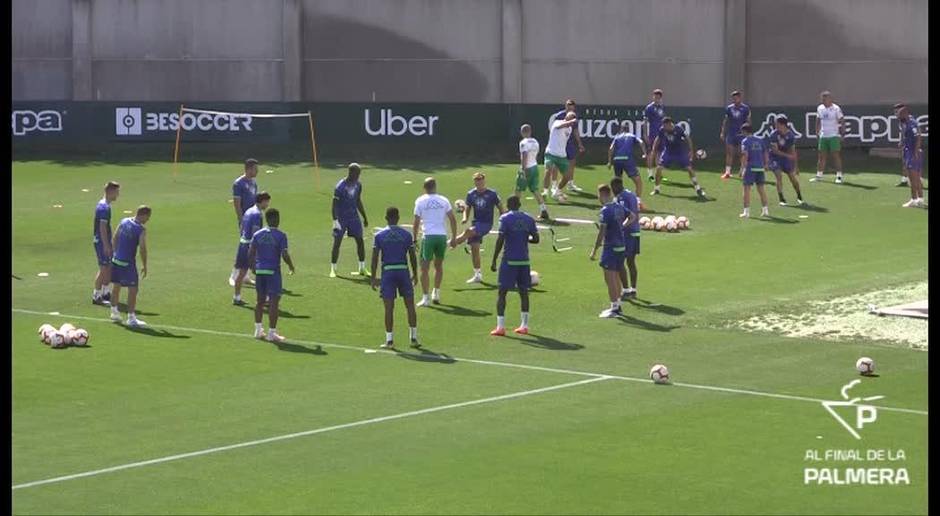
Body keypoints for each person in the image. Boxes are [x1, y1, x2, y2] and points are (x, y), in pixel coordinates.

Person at [489, 195, 539, 336]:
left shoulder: (505, 219)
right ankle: (524, 325)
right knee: (524, 293)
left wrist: (494, 260)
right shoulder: (529, 218)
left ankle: (500, 327)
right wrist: (524, 238)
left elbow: (500, 239)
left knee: (502, 292)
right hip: (524, 261)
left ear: (508, 205)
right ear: (520, 204)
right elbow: (536, 239)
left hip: (509, 261)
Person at [371, 207, 420, 349]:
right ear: (398, 218)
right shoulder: (406, 235)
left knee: (389, 307)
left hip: (388, 272)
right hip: (403, 271)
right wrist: (415, 274)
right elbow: (412, 256)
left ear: (386, 218)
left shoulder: (379, 236)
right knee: (410, 305)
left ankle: (389, 341)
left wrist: (374, 277)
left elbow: (375, 258)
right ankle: (414, 338)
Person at [247, 208, 296, 342]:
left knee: (260, 301)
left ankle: (257, 330)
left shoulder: (257, 234)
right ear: (276, 219)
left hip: (260, 271)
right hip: (273, 272)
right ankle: (272, 333)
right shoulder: (281, 235)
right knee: (274, 302)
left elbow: (250, 253)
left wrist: (253, 267)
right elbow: (284, 254)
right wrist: (291, 265)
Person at [451, 172, 505, 284]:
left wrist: (504, 219)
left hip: (486, 224)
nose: (479, 182)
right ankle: (477, 274)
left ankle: (451, 243)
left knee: (468, 231)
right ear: (474, 182)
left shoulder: (492, 194)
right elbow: (468, 207)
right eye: (477, 180)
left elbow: (500, 207)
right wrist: (465, 218)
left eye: (480, 180)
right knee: (475, 248)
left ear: (484, 181)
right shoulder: (471, 194)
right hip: (476, 223)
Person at [590, 185, 634, 318]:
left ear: (603, 194)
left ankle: (614, 308)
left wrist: (594, 250)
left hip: (610, 248)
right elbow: (632, 216)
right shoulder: (619, 206)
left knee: (610, 278)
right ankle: (618, 304)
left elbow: (601, 232)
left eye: (598, 196)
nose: (598, 198)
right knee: (616, 276)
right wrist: (622, 226)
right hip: (621, 246)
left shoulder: (605, 211)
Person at [412, 178, 458, 306]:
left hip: (429, 237)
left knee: (424, 268)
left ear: (424, 188)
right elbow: (453, 220)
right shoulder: (443, 200)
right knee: (438, 266)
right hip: (441, 236)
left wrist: (414, 238)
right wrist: (454, 238)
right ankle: (436, 292)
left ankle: (426, 298)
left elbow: (416, 222)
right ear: (435, 186)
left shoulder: (420, 201)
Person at [108, 205, 151, 327]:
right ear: (143, 215)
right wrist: (145, 265)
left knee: (116, 286)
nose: (148, 220)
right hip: (128, 263)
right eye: (148, 217)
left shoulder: (124, 221)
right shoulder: (141, 229)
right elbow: (143, 249)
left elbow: (115, 238)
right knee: (133, 289)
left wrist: (116, 253)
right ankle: (131, 318)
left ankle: (114, 312)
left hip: (117, 260)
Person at [651, 117, 707, 198]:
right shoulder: (662, 129)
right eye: (663, 125)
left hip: (680, 152)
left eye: (665, 125)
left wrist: (691, 151)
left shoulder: (678, 129)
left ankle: (698, 189)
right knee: (659, 168)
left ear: (670, 124)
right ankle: (656, 189)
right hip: (668, 152)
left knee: (689, 169)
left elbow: (688, 139)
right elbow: (658, 139)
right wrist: (654, 149)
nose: (664, 127)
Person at [330, 162, 369, 278]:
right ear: (350, 172)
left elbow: (358, 201)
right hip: (341, 218)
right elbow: (334, 205)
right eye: (357, 173)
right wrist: (335, 220)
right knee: (337, 242)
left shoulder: (358, 185)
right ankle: (333, 269)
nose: (358, 176)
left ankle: (362, 268)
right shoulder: (340, 187)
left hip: (354, 217)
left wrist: (364, 217)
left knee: (360, 241)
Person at [233, 192, 271, 305]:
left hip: (242, 244)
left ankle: (236, 297)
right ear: (263, 201)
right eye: (267, 202)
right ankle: (264, 299)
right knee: (261, 273)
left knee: (242, 273)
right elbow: (255, 234)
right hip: (250, 247)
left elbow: (242, 227)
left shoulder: (248, 211)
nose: (268, 204)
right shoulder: (257, 214)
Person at [545, 99, 586, 196]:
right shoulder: (560, 116)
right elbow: (556, 129)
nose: (569, 107)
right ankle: (554, 185)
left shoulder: (574, 118)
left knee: (572, 161)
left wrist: (580, 143)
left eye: (571, 105)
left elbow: (575, 130)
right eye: (568, 105)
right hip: (558, 144)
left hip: (569, 142)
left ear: (574, 107)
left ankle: (570, 183)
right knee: (555, 164)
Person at [610, 177, 640, 300]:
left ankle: (626, 290)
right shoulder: (631, 194)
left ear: (616, 186)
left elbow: (624, 216)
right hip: (636, 232)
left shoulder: (621, 197)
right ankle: (633, 290)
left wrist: (620, 227)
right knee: (631, 262)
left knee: (620, 261)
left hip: (627, 233)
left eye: (613, 189)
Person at [230, 158, 259, 286]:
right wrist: (241, 221)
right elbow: (237, 204)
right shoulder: (238, 184)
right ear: (248, 169)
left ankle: (245, 276)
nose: (257, 171)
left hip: (254, 220)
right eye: (255, 169)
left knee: (251, 248)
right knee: (244, 247)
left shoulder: (253, 183)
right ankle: (234, 275)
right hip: (245, 220)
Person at [607, 121, 647, 209]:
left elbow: (611, 148)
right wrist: (644, 153)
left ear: (621, 129)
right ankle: (637, 201)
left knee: (617, 182)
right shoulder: (632, 136)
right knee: (638, 181)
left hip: (617, 160)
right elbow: (641, 142)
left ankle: (616, 200)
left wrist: (609, 162)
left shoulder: (617, 137)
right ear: (629, 130)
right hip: (627, 160)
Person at [92, 181, 120, 305]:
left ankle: (105, 292)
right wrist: (106, 245)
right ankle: (96, 296)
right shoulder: (104, 208)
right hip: (101, 242)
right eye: (117, 192)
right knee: (104, 269)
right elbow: (102, 228)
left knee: (108, 267)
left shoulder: (105, 205)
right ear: (110, 191)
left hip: (103, 240)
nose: (118, 195)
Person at [516, 124, 551, 220]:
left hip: (527, 167)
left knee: (518, 189)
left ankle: (514, 211)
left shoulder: (523, 143)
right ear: (530, 131)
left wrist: (523, 169)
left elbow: (524, 156)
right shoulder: (535, 142)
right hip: (534, 166)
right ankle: (543, 210)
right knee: (535, 189)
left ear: (522, 132)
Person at [767, 116, 804, 206]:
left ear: (783, 125)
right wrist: (788, 156)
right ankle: (781, 198)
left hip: (786, 159)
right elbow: (775, 150)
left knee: (792, 178)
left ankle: (799, 196)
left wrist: (796, 166)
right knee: (778, 176)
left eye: (777, 124)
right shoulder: (773, 134)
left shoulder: (790, 136)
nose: (775, 126)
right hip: (775, 158)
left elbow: (793, 151)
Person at [543, 112, 579, 203]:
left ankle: (557, 191)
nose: (571, 122)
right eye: (570, 118)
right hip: (551, 153)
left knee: (567, 177)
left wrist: (571, 122)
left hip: (562, 155)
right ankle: (545, 192)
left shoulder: (570, 129)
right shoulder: (557, 122)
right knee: (548, 171)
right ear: (566, 117)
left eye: (573, 120)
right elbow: (561, 126)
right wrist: (572, 120)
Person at [812, 91, 845, 183]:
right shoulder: (820, 108)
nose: (823, 100)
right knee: (821, 156)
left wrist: (843, 133)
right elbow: (818, 120)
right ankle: (819, 176)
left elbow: (842, 120)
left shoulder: (836, 108)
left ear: (830, 99)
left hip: (833, 135)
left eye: (825, 98)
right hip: (823, 135)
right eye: (822, 99)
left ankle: (839, 176)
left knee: (835, 155)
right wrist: (817, 132)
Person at [738, 124, 770, 218]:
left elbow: (745, 155)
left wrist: (742, 169)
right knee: (761, 189)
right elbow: (765, 153)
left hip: (750, 167)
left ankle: (746, 212)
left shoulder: (745, 141)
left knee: (746, 189)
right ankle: (765, 210)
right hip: (760, 167)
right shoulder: (760, 140)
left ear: (744, 131)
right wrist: (766, 164)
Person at [897, 105, 925, 207]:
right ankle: (920, 199)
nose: (898, 116)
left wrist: (916, 151)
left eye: (900, 114)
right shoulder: (906, 123)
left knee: (913, 178)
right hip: (909, 151)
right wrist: (902, 142)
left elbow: (918, 137)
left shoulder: (911, 123)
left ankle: (914, 199)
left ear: (905, 113)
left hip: (912, 152)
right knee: (916, 178)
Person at [720, 91, 752, 179]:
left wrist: (749, 133)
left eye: (736, 98)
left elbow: (749, 121)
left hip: (742, 134)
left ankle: (743, 171)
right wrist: (722, 132)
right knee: (729, 153)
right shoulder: (729, 108)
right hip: (731, 133)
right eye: (733, 98)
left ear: (740, 98)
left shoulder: (745, 108)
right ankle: (727, 172)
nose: (735, 99)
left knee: (742, 153)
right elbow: (726, 121)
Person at [643, 89, 666, 182]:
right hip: (652, 134)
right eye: (655, 96)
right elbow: (645, 122)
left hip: (661, 134)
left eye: (658, 97)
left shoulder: (662, 107)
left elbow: (664, 121)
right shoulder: (649, 108)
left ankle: (659, 174)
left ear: (661, 98)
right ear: (653, 97)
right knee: (651, 153)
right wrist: (645, 134)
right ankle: (650, 175)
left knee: (660, 154)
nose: (656, 98)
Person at [893, 103, 911, 188]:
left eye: (897, 111)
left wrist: (903, 141)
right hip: (906, 144)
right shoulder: (901, 120)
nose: (895, 114)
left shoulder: (908, 120)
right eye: (895, 112)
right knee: (904, 162)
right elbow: (902, 132)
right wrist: (901, 141)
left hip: (910, 144)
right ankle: (904, 180)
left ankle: (916, 180)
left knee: (911, 163)